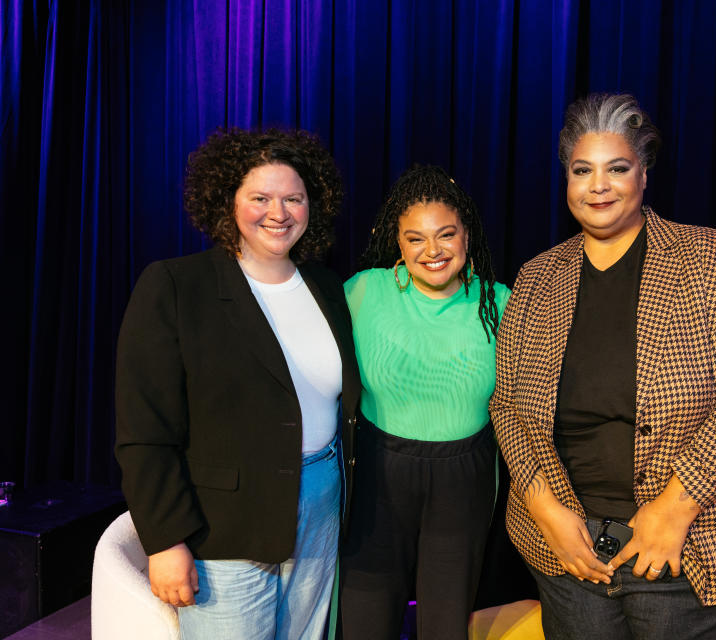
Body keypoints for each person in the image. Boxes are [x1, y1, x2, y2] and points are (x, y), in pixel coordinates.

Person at [490, 93, 716, 640]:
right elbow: (507, 404)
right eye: (582, 170)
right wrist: (545, 510)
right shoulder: (538, 279)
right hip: (571, 557)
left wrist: (674, 508)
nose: (598, 185)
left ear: (644, 174)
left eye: (617, 168)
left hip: (700, 549)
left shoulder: (712, 260)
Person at [114, 128, 360, 640]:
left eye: (294, 198)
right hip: (222, 522)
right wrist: (165, 541)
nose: (279, 212)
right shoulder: (178, 285)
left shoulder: (329, 287)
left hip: (321, 503)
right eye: (261, 198)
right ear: (227, 201)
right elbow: (144, 430)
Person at [339, 165, 511, 640]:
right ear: (398, 243)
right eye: (415, 239)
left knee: (445, 624)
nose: (431, 251)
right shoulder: (362, 292)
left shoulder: (501, 301)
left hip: (465, 477)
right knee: (362, 621)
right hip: (377, 472)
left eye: (445, 235)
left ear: (466, 235)